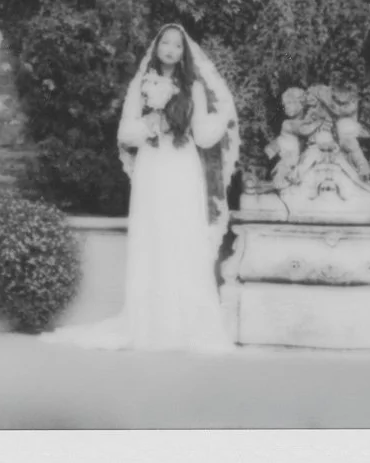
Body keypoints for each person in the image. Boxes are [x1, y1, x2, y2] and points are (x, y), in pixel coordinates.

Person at [42, 23, 239, 354]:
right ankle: (150, 323)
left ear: (184, 53)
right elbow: (125, 133)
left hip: (182, 166)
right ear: (157, 47)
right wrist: (150, 124)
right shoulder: (141, 84)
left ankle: (186, 324)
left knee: (182, 234)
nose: (171, 50)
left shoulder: (193, 87)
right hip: (153, 165)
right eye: (166, 43)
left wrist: (223, 119)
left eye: (177, 45)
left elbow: (203, 135)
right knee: (153, 233)